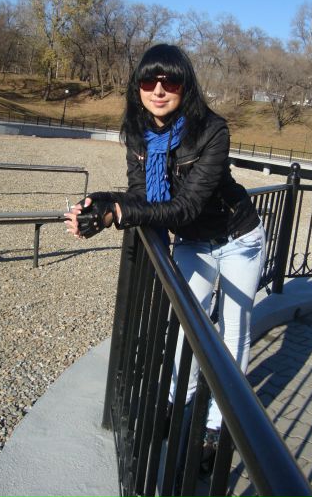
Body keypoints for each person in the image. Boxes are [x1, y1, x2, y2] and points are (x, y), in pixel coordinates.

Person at [64, 43, 266, 456]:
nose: (158, 90)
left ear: (185, 86)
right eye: (148, 80)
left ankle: (217, 427)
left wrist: (118, 212)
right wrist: (99, 205)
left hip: (237, 240)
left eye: (169, 81)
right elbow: (140, 194)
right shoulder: (138, 131)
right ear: (137, 86)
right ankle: (176, 402)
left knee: (233, 332)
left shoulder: (212, 130)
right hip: (193, 241)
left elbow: (185, 206)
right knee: (186, 328)